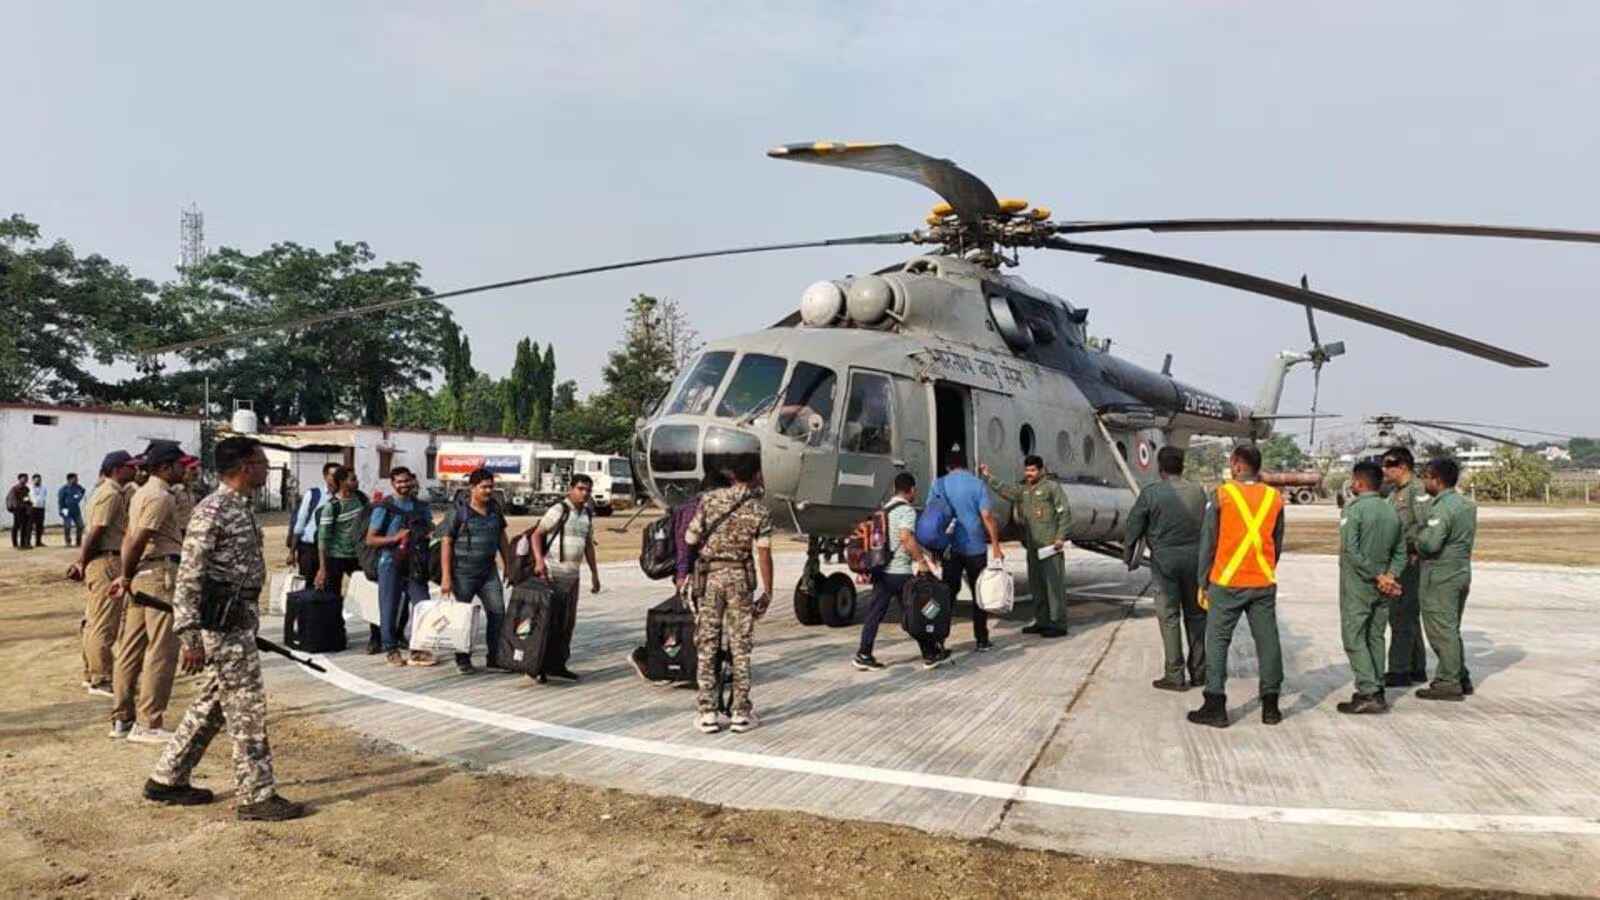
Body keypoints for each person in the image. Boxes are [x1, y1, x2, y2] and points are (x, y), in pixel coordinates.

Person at [143, 436, 305, 821]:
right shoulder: (212, 510)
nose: (267, 468)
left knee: (213, 704)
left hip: (238, 619)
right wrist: (190, 635)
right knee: (246, 705)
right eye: (263, 461)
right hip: (221, 623)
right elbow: (189, 576)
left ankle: (167, 778)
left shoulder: (240, 507)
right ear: (246, 465)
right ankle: (256, 794)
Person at [1187, 444, 1287, 728]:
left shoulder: (1222, 494)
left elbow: (1208, 541)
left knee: (1217, 641)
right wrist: (1264, 568)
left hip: (1226, 583)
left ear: (1237, 464)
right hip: (1263, 582)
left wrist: (1202, 580)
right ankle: (1271, 706)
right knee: (1268, 641)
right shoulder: (1274, 497)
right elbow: (1276, 543)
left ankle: (1215, 704)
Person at [684, 456, 774, 733]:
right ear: (757, 475)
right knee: (741, 647)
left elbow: (689, 539)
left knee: (707, 645)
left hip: (710, 579)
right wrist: (768, 591)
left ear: (733, 475)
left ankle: (708, 713)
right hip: (740, 581)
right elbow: (764, 553)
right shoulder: (759, 510)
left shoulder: (710, 501)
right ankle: (740, 713)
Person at [109, 442, 189, 743]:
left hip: (143, 573)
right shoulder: (160, 497)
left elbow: (129, 537)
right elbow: (140, 537)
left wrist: (127, 575)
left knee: (130, 647)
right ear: (166, 467)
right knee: (162, 649)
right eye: (180, 464)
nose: (184, 469)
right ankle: (149, 722)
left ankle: (122, 719)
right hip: (159, 574)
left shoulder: (140, 492)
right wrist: (126, 575)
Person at [1123, 446, 1209, 691]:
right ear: (1182, 466)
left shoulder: (1151, 493)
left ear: (1160, 468)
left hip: (1165, 563)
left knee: (1169, 616)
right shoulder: (1198, 492)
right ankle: (1200, 672)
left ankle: (1175, 675)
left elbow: (1134, 525)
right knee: (1196, 616)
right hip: (1195, 560)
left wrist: (1129, 554)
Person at [65, 451, 139, 700]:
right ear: (117, 469)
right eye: (130, 467)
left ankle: (92, 673)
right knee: (104, 623)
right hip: (107, 559)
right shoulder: (109, 494)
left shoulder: (108, 491)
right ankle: (101, 677)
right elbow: (96, 531)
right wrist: (81, 561)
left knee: (95, 620)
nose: (135, 470)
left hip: (103, 558)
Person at [1337, 461, 1407, 714]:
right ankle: (1377, 687)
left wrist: (1377, 576)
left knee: (1354, 637)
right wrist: (1390, 576)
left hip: (1359, 584)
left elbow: (1351, 551)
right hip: (1384, 585)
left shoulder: (1353, 510)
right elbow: (1401, 551)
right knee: (1375, 636)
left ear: (1358, 483)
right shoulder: (1391, 510)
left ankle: (1368, 691)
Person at [979, 455, 1072, 638]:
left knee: (1053, 587)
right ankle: (1042, 620)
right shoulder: (1024, 491)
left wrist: (1060, 537)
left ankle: (1058, 623)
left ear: (1041, 470)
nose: (1029, 474)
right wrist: (988, 477)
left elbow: (1065, 513)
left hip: (1050, 546)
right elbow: (1006, 491)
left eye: (1032, 470)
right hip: (1033, 547)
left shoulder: (1052, 488)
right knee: (1036, 585)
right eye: (1027, 470)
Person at [853, 472, 936, 671]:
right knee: (917, 612)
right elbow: (906, 537)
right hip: (899, 571)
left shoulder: (885, 509)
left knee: (875, 613)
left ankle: (864, 653)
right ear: (912, 490)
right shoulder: (906, 510)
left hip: (882, 570)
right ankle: (931, 653)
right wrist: (921, 561)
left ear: (894, 489)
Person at [1413, 458, 1479, 702]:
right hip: (1461, 571)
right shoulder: (1465, 504)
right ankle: (1460, 676)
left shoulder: (1442, 507)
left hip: (1440, 574)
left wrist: (1418, 539)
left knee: (1440, 629)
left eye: (1426, 477)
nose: (1424, 482)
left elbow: (1431, 543)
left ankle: (1448, 682)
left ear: (1437, 479)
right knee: (1451, 627)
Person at [930, 445, 1004, 653]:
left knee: (947, 595)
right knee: (979, 593)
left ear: (947, 465)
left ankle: (939, 639)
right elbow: (987, 516)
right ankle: (981, 639)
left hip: (950, 548)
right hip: (975, 547)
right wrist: (996, 545)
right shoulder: (977, 484)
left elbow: (932, 515)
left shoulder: (939, 484)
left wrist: (932, 548)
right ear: (965, 464)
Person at [438, 468, 511, 674]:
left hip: (488, 572)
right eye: (484, 487)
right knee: (463, 617)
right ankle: (463, 659)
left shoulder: (495, 508)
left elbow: (502, 538)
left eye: (491, 486)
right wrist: (446, 577)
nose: (488, 490)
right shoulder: (458, 511)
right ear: (473, 488)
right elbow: (446, 542)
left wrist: (508, 565)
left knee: (498, 613)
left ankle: (495, 657)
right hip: (462, 574)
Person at [531, 474, 601, 680]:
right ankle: (538, 667)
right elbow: (537, 534)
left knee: (566, 624)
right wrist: (539, 561)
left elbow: (588, 545)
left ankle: (558, 664)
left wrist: (595, 575)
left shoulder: (587, 513)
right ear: (571, 489)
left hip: (573, 577)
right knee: (548, 622)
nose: (584, 493)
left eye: (588, 490)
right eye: (580, 489)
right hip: (552, 574)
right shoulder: (559, 510)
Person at [365, 467, 435, 667]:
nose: (404, 485)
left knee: (423, 605)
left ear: (412, 481)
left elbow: (430, 528)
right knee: (389, 607)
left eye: (407, 481)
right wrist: (394, 538)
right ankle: (391, 649)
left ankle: (418, 648)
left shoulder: (421, 507)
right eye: (399, 482)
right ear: (392, 483)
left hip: (416, 562)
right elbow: (370, 539)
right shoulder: (384, 507)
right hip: (390, 562)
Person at [1380, 446, 1429, 687]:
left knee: (1400, 615)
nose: (1384, 470)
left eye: (1388, 465)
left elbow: (1425, 525)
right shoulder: (1395, 493)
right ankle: (1417, 667)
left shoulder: (1416, 490)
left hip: (1409, 562)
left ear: (1402, 466)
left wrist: (1415, 551)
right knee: (1409, 616)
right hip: (1400, 559)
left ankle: (1399, 670)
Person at [313, 466, 364, 601]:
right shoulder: (332, 507)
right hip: (336, 558)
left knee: (368, 593)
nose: (357, 482)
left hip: (358, 556)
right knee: (332, 599)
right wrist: (322, 569)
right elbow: (322, 539)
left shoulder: (361, 499)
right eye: (353, 479)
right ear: (342, 482)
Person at [285, 463, 341, 584]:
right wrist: (292, 552)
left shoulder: (343, 498)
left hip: (332, 552)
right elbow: (300, 523)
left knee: (330, 589)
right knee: (308, 586)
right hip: (310, 550)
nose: (336, 478)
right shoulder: (314, 494)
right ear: (325, 476)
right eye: (333, 475)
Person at [171, 456, 202, 537]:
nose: (196, 472)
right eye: (192, 468)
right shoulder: (175, 490)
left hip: (190, 530)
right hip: (177, 532)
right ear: (184, 469)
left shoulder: (192, 490)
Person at [59, 473, 87, 547]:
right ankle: (68, 542)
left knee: (80, 525)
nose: (77, 480)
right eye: (75, 478)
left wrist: (80, 495)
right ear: (70, 479)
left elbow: (83, 491)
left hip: (76, 510)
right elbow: (60, 501)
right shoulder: (63, 489)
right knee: (67, 526)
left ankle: (78, 542)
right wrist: (61, 511)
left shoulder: (77, 487)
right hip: (66, 510)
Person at [8, 473, 32, 549]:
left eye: (26, 478)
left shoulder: (26, 489)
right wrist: (16, 508)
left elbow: (26, 498)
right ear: (19, 479)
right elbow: (12, 499)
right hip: (17, 510)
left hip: (24, 510)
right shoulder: (14, 489)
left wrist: (29, 506)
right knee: (17, 526)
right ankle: (16, 544)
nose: (25, 480)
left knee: (24, 526)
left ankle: (23, 544)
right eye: (24, 478)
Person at [29, 473, 49, 547]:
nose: (38, 481)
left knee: (40, 526)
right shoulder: (29, 488)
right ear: (33, 480)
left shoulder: (44, 488)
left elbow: (44, 496)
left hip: (41, 508)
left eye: (39, 480)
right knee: (30, 526)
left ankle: (38, 542)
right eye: (36, 480)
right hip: (32, 508)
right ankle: (28, 542)